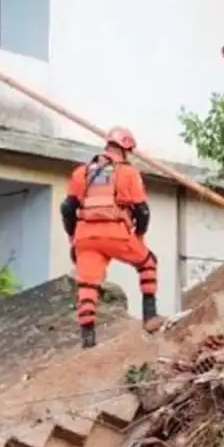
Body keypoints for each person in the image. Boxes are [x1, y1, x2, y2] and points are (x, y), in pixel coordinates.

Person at [60, 126, 162, 349]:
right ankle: (150, 316)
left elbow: (67, 208)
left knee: (87, 284)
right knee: (148, 263)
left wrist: (72, 236)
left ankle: (88, 339)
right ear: (126, 148)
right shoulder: (128, 173)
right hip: (116, 232)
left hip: (85, 236)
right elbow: (142, 210)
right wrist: (139, 235)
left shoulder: (82, 172)